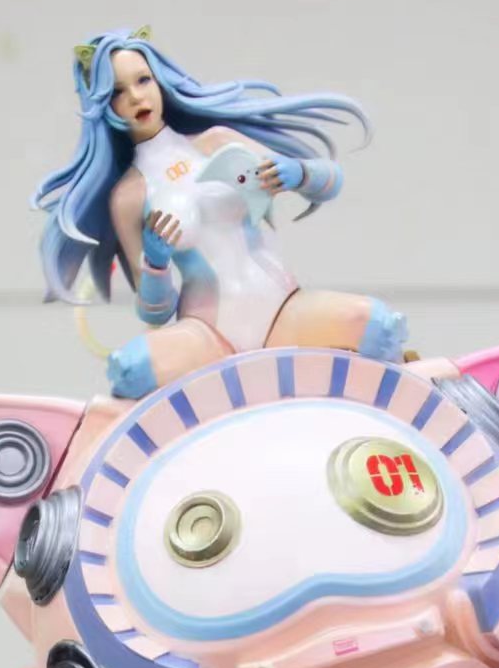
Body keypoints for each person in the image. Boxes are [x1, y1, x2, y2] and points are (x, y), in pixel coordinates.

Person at [32, 26, 408, 398]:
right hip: (208, 332)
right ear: (103, 105)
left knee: (379, 326)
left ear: (160, 81)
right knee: (132, 370)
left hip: (282, 307)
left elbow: (331, 181)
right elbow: (154, 313)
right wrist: (156, 263)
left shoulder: (217, 142)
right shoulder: (129, 196)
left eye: (143, 80)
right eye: (117, 92)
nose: (135, 97)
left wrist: (299, 173)